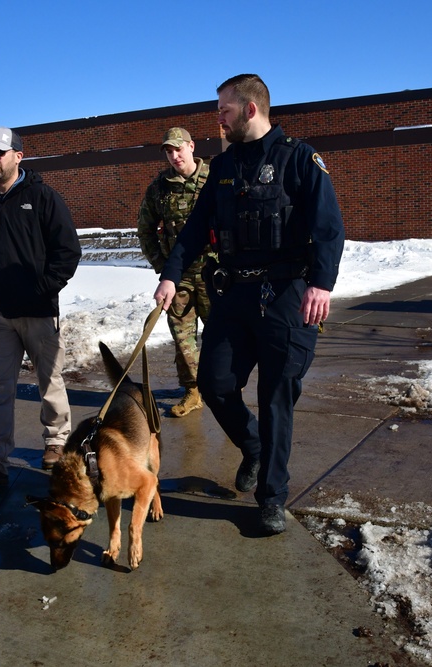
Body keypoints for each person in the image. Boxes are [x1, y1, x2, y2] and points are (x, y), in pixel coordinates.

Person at [154, 75, 345, 535]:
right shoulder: (222, 168)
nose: (218, 117)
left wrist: (321, 284)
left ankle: (272, 497)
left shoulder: (299, 158)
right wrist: (170, 273)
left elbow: (328, 226)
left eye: (224, 109)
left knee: (277, 398)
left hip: (286, 296)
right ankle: (253, 447)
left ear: (250, 110)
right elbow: (195, 230)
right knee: (214, 382)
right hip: (235, 294)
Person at [0, 127, 82, 484]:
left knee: (50, 380)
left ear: (18, 156)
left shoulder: (42, 197)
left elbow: (68, 251)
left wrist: (44, 288)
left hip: (39, 309)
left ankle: (56, 444)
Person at [137, 127, 212, 417]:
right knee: (182, 338)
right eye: (169, 151)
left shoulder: (215, 180)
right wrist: (163, 267)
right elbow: (145, 230)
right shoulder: (159, 187)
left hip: (214, 274)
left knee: (220, 334)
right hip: (178, 278)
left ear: (192, 146)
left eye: (179, 149)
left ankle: (225, 384)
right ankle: (192, 390)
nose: (175, 155)